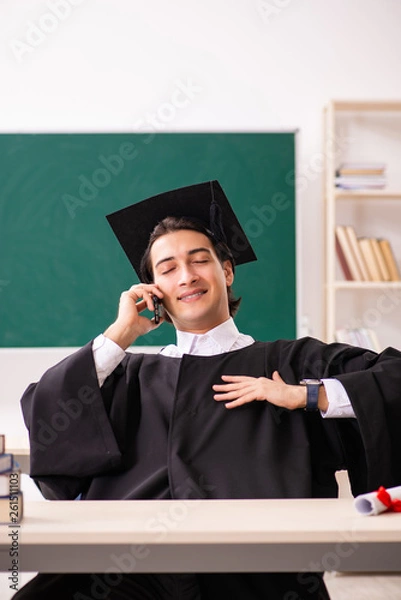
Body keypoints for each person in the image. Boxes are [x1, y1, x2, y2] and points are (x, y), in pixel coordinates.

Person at [15, 181, 401, 599]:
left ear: (227, 271)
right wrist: (120, 334)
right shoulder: (131, 373)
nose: (187, 276)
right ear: (152, 291)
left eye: (200, 260)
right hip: (124, 574)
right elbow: (47, 409)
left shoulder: (290, 363)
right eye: (167, 269)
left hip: (255, 573)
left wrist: (308, 396)